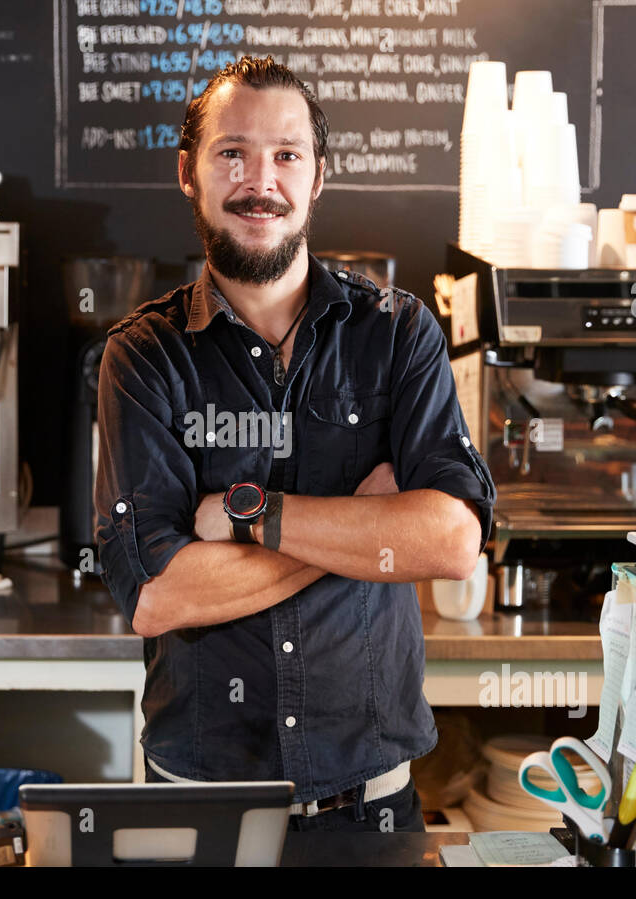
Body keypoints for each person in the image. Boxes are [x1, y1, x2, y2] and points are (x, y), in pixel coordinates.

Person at [95, 55, 495, 833]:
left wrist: (247, 517)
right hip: (201, 804)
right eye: (232, 152)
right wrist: (359, 521)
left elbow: (449, 542)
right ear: (189, 172)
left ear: (317, 178)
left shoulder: (399, 331)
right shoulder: (144, 355)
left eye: (286, 155)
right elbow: (158, 594)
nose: (260, 180)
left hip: (370, 804)